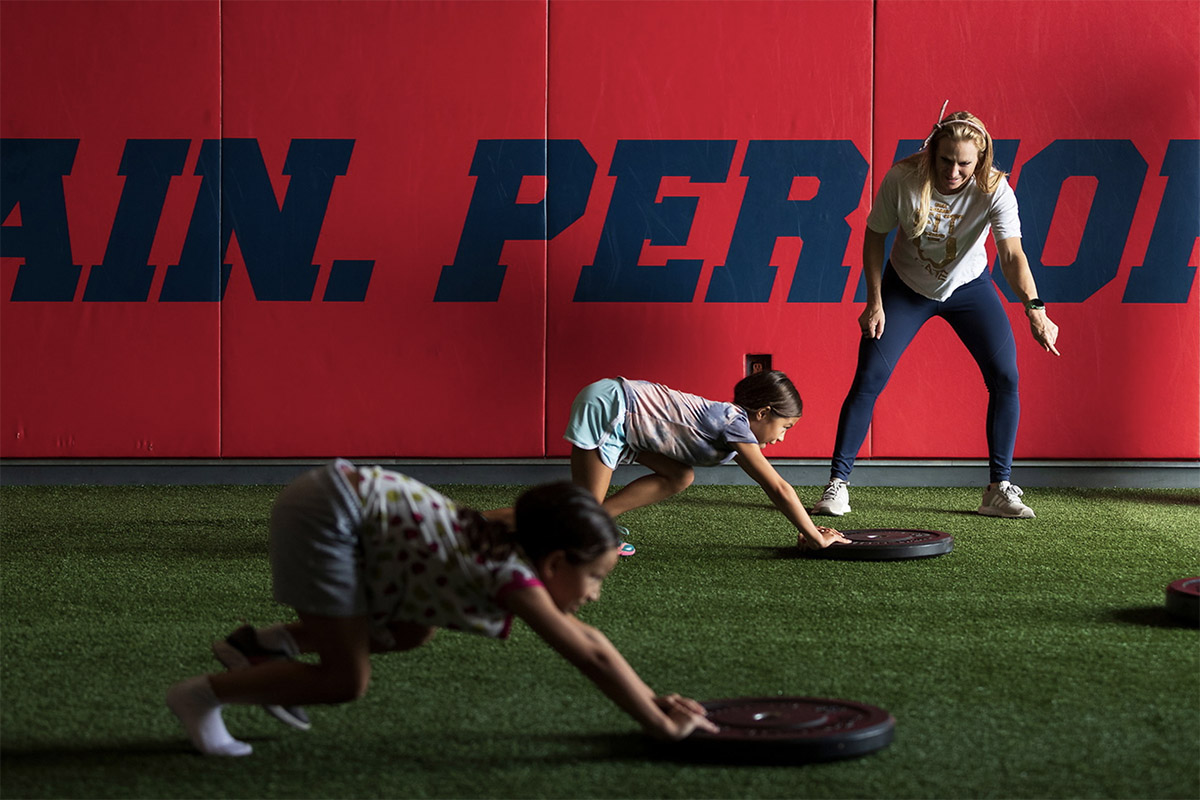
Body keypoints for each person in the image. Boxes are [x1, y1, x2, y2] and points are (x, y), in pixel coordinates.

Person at [166, 463, 717, 756]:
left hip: (347, 506)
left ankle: (264, 646)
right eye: (594, 577)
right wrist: (656, 721)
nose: (594, 592)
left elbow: (592, 644)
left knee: (412, 632)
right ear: (551, 564)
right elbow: (590, 652)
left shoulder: (512, 543)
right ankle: (202, 695)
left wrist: (653, 698)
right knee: (343, 681)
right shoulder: (514, 577)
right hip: (326, 518)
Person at [812, 103, 1060, 521]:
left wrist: (1036, 309)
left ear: (979, 158)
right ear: (932, 149)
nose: (953, 172)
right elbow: (874, 237)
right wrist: (874, 300)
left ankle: (998, 488)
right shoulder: (903, 178)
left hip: (969, 288)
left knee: (1006, 376)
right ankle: (837, 484)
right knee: (869, 376)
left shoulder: (995, 189)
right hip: (905, 288)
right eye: (946, 160)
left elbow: (1012, 255)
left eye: (964, 163)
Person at [565, 369, 847, 551]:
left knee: (680, 476)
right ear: (763, 413)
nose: (782, 438)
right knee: (578, 521)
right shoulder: (734, 424)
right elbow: (777, 487)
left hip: (624, 417)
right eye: (785, 427)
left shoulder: (733, 426)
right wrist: (814, 536)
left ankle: (599, 523)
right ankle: (529, 525)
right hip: (610, 407)